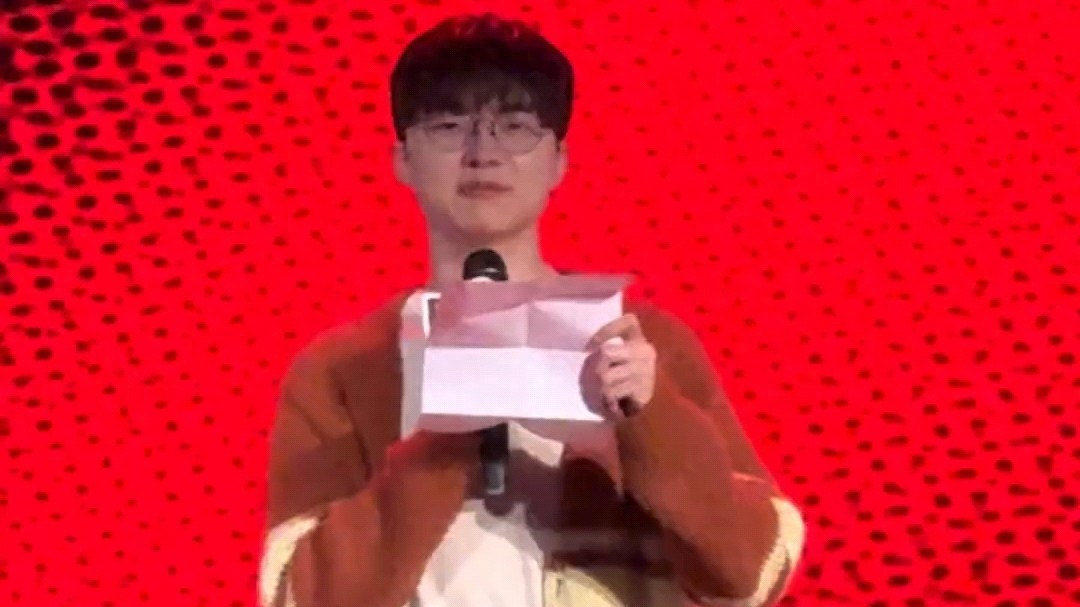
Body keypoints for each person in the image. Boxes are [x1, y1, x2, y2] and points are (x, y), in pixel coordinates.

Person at [258, 13, 805, 607]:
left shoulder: (640, 343)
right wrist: (443, 441)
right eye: (449, 125)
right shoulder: (346, 368)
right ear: (403, 159)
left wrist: (651, 420)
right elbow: (295, 597)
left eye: (515, 127)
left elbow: (752, 575)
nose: (483, 152)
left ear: (558, 160)